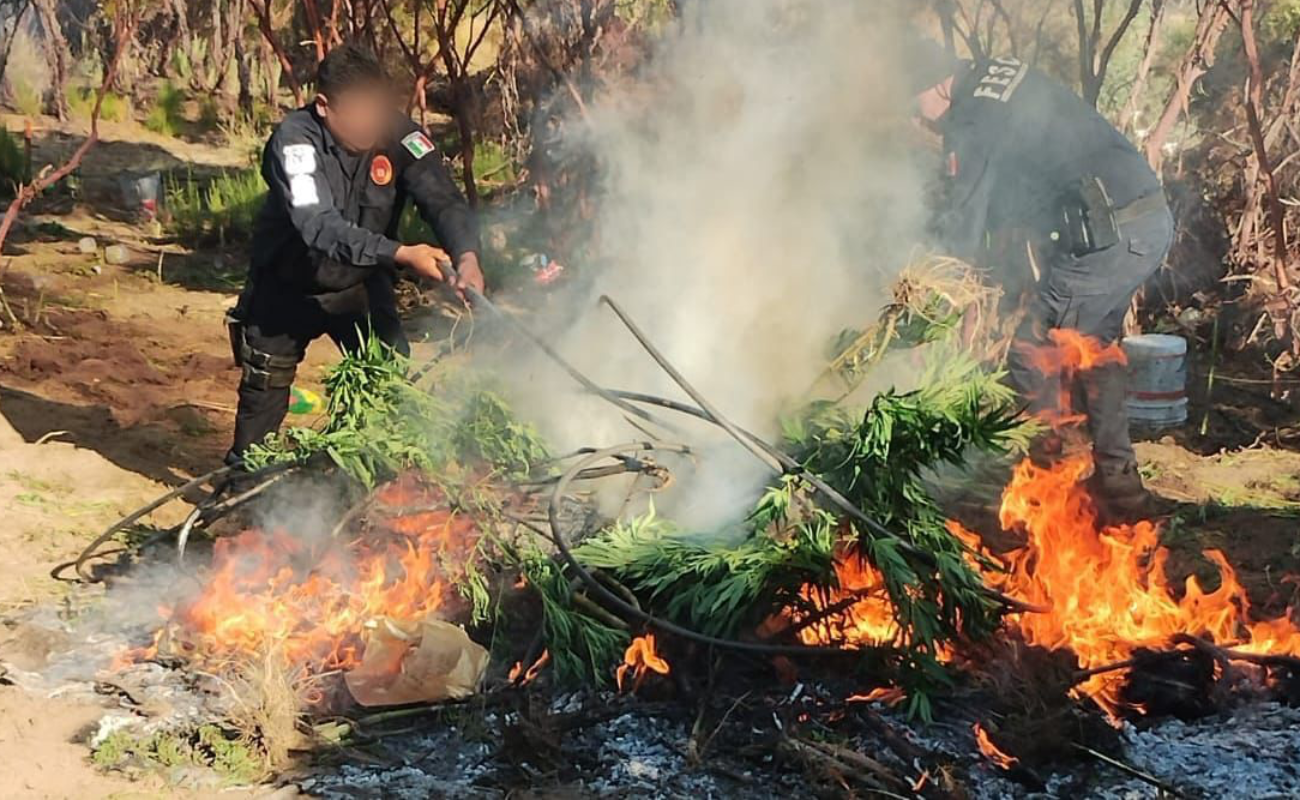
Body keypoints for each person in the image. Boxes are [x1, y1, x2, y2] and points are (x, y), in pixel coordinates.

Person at [911, 44, 1175, 519]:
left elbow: (966, 224)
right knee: (1097, 349)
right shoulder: (996, 75)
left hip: (1108, 237)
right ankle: (1120, 486)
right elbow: (1027, 180)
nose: (921, 123)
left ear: (933, 85)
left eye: (916, 108)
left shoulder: (973, 116)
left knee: (1034, 350)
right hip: (1145, 221)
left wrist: (927, 286)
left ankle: (1053, 491)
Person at [225, 44, 483, 470]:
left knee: (389, 390)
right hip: (285, 290)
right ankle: (239, 500)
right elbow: (319, 227)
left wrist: (468, 255)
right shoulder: (295, 143)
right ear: (325, 106)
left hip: (360, 286)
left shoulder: (401, 135)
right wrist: (402, 254)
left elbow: (444, 199)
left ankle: (374, 492)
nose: (371, 124)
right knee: (261, 410)